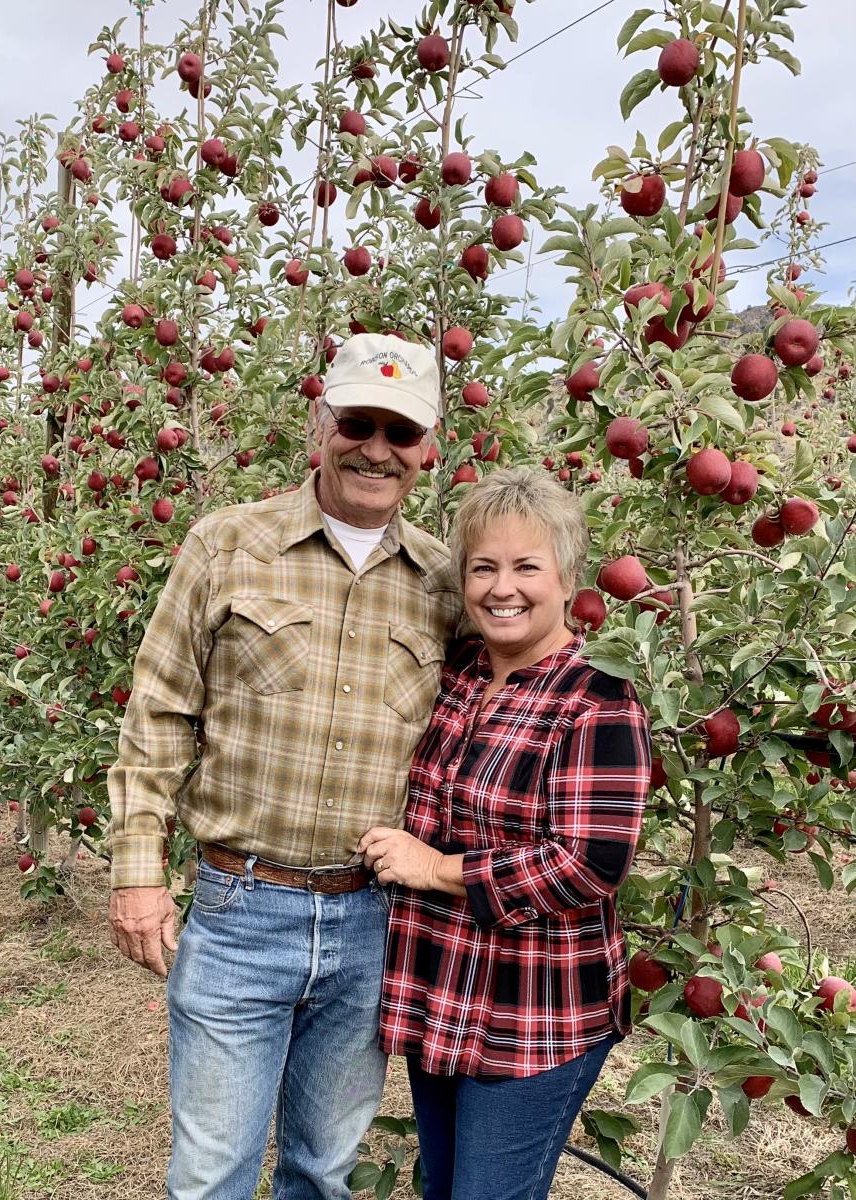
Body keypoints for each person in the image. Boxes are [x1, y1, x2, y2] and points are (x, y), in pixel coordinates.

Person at [105, 332, 463, 1200]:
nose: (376, 448)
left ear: (429, 452)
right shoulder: (228, 544)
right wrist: (137, 873)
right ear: (321, 423)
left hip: (372, 919)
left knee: (323, 1170)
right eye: (358, 422)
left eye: (401, 432)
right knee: (211, 1175)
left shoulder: (446, 583)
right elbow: (159, 712)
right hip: (239, 906)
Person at [358, 467, 651, 1200]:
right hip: (439, 991)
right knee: (445, 1188)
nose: (502, 587)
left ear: (567, 577)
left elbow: (589, 866)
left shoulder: (597, 696)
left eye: (527, 566)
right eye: (483, 567)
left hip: (535, 1013)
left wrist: (436, 870)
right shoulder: (457, 674)